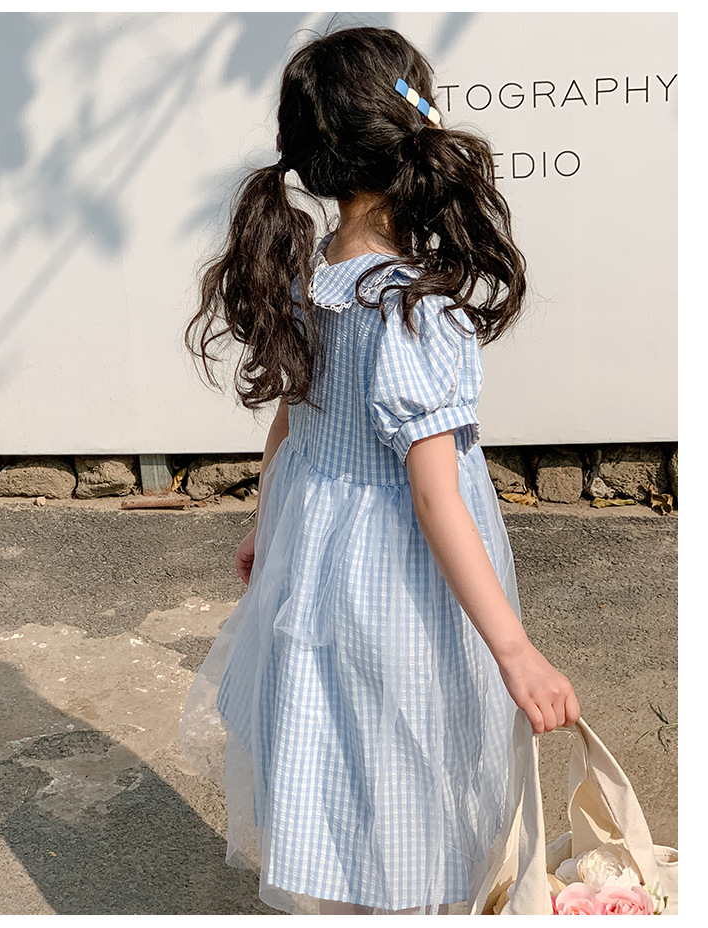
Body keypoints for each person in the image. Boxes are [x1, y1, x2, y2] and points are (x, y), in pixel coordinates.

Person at [178, 25, 580, 916]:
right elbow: (435, 498)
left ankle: (348, 890)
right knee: (413, 748)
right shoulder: (411, 311)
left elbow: (292, 418)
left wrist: (265, 526)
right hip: (399, 574)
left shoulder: (309, 276)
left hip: (316, 544)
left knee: (336, 738)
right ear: (410, 138)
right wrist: (516, 652)